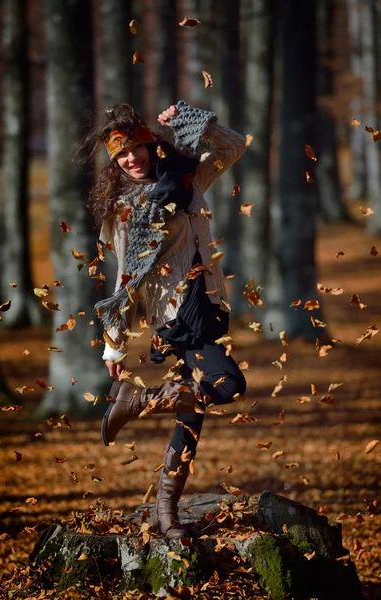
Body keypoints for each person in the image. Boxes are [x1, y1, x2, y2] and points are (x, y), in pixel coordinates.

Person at [85, 100, 247, 539]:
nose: (131, 159)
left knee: (191, 416)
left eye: (136, 149)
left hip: (209, 306)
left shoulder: (187, 180)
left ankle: (166, 513)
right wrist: (114, 345)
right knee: (227, 385)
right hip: (176, 317)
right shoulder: (127, 210)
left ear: (153, 147)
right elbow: (126, 280)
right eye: (121, 155)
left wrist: (189, 119)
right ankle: (133, 402)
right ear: (114, 163)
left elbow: (233, 145)